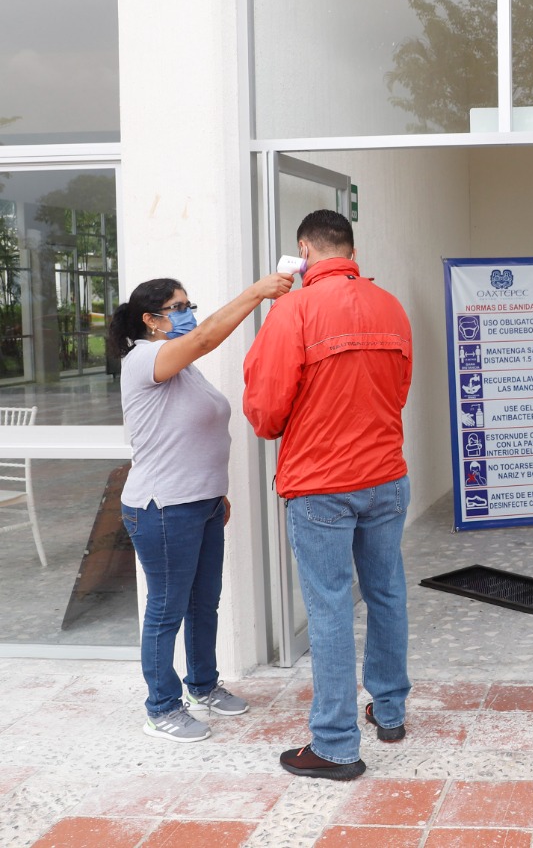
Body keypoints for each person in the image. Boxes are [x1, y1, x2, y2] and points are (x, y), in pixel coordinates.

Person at [243, 209, 413, 781]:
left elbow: (266, 412)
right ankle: (389, 712)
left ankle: (337, 744)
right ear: (351, 250)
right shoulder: (390, 306)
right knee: (386, 591)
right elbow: (399, 390)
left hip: (321, 483)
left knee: (331, 605)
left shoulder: (293, 310)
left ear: (304, 251)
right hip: (386, 474)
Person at [109, 270, 294, 743]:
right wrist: (257, 292)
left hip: (203, 503)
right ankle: (161, 708)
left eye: (190, 305)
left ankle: (203, 686)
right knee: (167, 610)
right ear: (151, 320)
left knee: (203, 602)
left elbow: (189, 432)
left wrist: (215, 492)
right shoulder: (146, 358)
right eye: (178, 307)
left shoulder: (182, 366)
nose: (188, 314)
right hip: (163, 507)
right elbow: (208, 337)